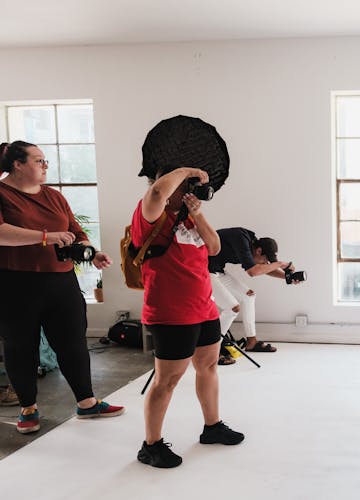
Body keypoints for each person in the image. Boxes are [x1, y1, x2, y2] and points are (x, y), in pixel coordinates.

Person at [0, 141, 124, 434]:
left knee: (73, 342)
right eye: (38, 160)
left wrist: (92, 252)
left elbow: (76, 232)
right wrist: (46, 237)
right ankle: (28, 409)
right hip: (15, 283)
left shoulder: (54, 196)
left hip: (60, 281)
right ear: (17, 164)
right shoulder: (2, 194)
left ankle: (87, 402)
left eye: (45, 161)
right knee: (20, 347)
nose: (45, 166)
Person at [132, 166, 243, 469]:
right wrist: (186, 169)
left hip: (203, 307)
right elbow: (157, 192)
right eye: (184, 186)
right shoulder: (150, 214)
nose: (189, 192)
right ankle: (151, 445)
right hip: (170, 312)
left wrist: (198, 213)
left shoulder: (189, 218)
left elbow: (215, 247)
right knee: (167, 380)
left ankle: (212, 426)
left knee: (208, 366)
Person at [209, 227, 298, 358]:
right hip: (203, 270)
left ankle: (251, 342)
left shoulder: (251, 246)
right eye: (265, 260)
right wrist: (279, 264)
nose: (265, 264)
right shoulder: (241, 239)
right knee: (232, 308)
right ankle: (211, 352)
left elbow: (262, 269)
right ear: (259, 250)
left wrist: (287, 277)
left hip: (217, 270)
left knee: (249, 296)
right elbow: (253, 271)